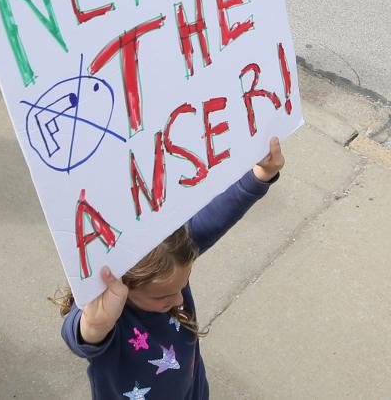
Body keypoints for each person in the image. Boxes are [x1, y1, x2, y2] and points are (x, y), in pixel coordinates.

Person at [59, 137, 285, 400]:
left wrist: (259, 176)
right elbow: (78, 336)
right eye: (162, 297)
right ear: (125, 284)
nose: (179, 300)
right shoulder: (110, 314)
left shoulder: (171, 259)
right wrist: (95, 325)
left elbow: (215, 218)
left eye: (181, 287)